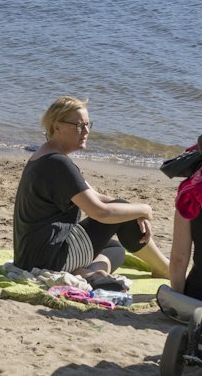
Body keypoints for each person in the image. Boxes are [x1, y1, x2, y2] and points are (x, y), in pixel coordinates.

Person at [13, 95, 167, 287]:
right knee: (119, 211)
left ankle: (87, 272)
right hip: (48, 259)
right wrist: (144, 209)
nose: (86, 131)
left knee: (116, 249)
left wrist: (134, 211)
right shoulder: (57, 163)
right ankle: (165, 268)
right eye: (78, 125)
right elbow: (99, 211)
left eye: (87, 125)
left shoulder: (46, 155)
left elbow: (96, 196)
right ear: (57, 127)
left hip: (30, 256)